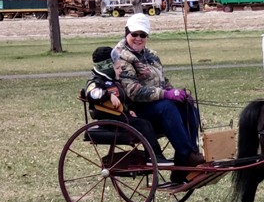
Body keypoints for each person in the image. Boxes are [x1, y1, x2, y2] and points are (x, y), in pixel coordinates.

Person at [115, 13, 205, 167]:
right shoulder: (121, 57)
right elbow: (133, 91)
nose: (138, 38)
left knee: (189, 108)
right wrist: (167, 95)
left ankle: (189, 155)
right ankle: (186, 154)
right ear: (126, 33)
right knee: (167, 107)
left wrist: (177, 93)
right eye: (134, 34)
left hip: (155, 104)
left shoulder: (151, 55)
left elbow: (163, 81)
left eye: (142, 35)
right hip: (134, 109)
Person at [85, 45, 172, 166]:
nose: (120, 70)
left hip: (121, 116)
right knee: (142, 124)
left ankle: (155, 155)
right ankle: (154, 157)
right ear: (108, 68)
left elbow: (124, 99)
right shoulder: (97, 81)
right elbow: (91, 94)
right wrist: (108, 95)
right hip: (109, 120)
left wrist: (129, 109)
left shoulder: (114, 80)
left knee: (147, 121)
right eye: (117, 67)